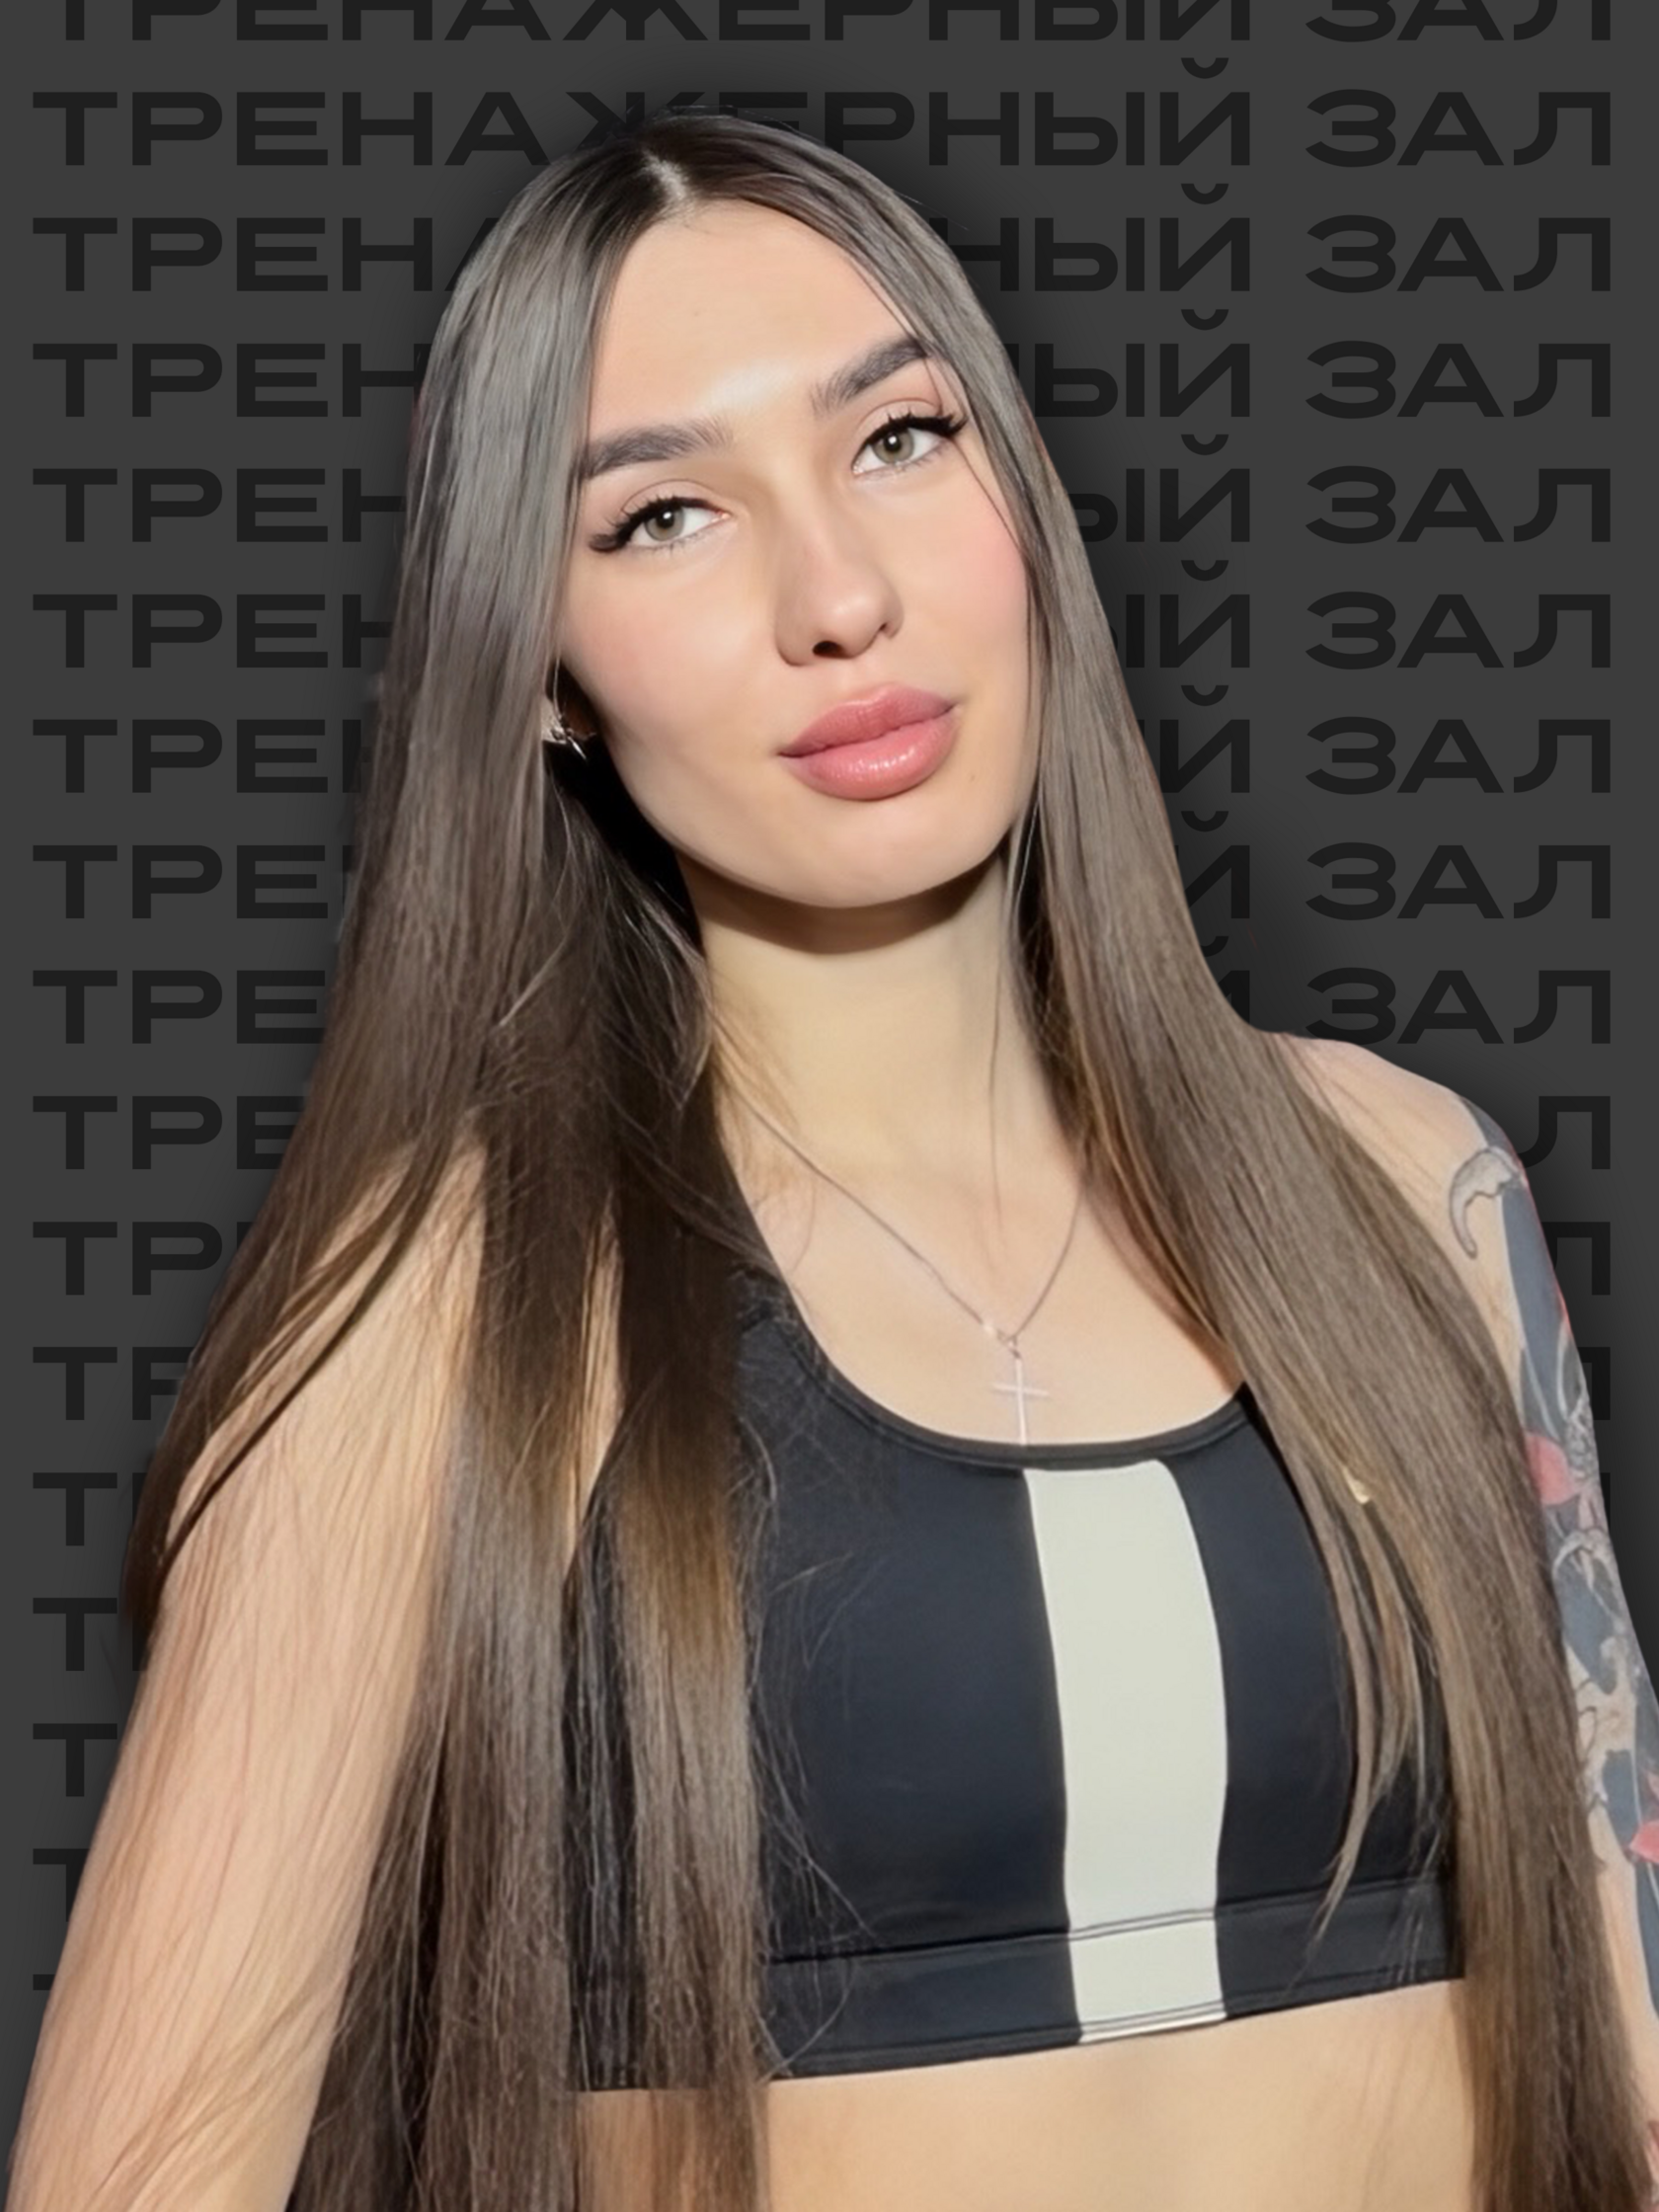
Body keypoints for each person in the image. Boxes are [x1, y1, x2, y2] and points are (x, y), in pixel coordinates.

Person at [6, 107, 1656, 2212]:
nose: (840, 597)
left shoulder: (1406, 1184)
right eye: (662, 517)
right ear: (542, 671)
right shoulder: (450, 1306)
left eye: (896, 439)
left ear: (1019, 492)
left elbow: (1628, 2052)